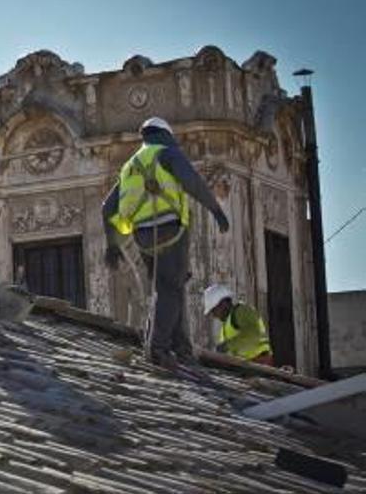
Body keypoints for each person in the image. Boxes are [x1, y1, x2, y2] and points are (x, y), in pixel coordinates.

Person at [102, 117, 230, 368]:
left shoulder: (130, 165)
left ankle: (182, 348)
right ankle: (157, 348)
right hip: (169, 230)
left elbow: (107, 208)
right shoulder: (166, 152)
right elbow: (192, 181)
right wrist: (216, 210)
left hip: (142, 237)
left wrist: (112, 244)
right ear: (165, 135)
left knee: (171, 285)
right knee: (170, 288)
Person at [203, 284, 273, 365]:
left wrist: (227, 346)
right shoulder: (226, 326)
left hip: (260, 362)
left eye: (214, 310)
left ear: (224, 303)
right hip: (246, 366)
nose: (214, 315)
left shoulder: (242, 311)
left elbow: (253, 335)